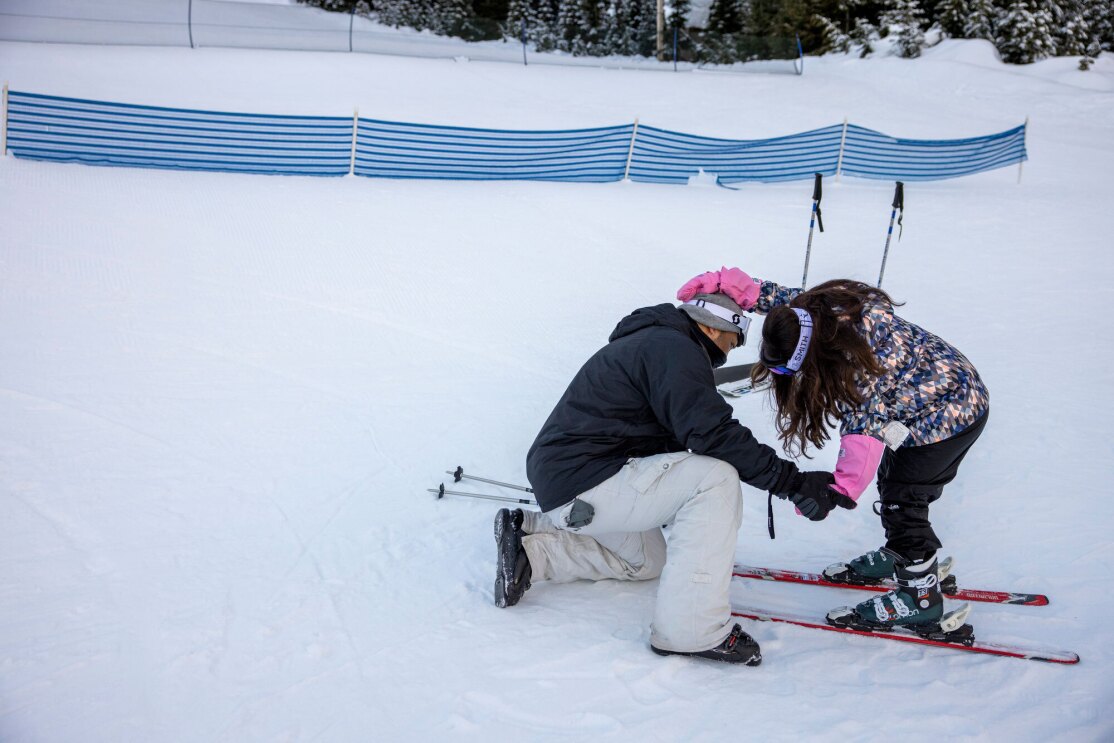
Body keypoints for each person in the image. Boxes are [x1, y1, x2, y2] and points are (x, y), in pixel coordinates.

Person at [495, 277, 836, 665]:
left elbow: (674, 438)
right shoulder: (674, 349)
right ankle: (691, 630)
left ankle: (531, 549)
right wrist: (792, 483)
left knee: (647, 562)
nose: (731, 350)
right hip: (585, 481)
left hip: (573, 481)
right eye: (734, 339)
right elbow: (713, 434)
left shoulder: (659, 343)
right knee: (715, 480)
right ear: (713, 325)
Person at [678, 267, 989, 633]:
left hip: (950, 414)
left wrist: (838, 491)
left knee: (905, 500)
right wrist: (722, 285)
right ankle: (903, 555)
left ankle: (919, 596)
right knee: (895, 486)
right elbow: (774, 295)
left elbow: (864, 429)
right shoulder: (815, 317)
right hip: (938, 398)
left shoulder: (862, 364)